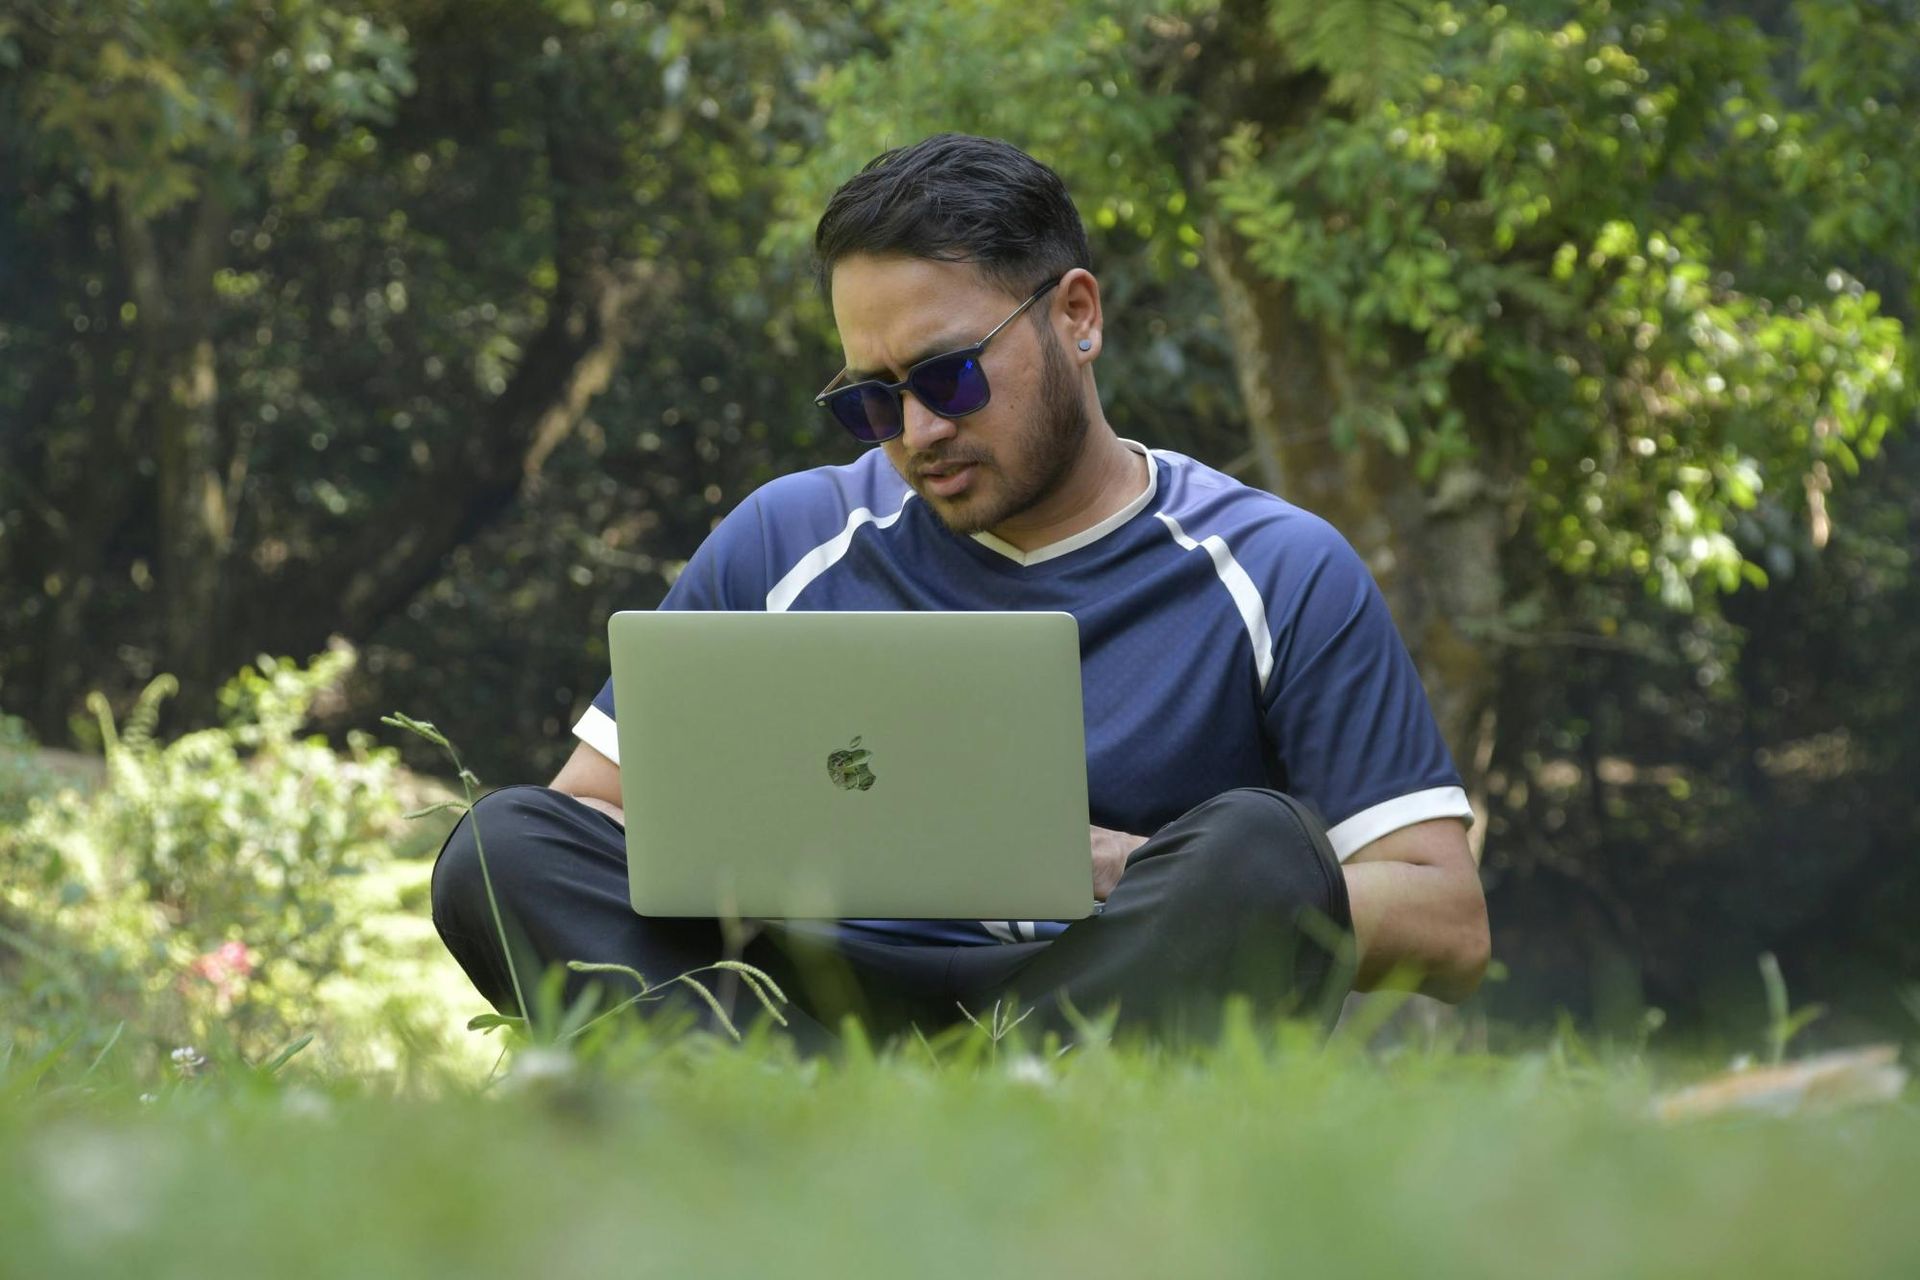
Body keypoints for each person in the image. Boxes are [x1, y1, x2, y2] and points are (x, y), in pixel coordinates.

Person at [430, 133, 1490, 1052]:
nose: (919, 432)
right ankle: (776, 1089)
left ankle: (1016, 1085)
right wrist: (755, 857)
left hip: (1100, 999)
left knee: (1261, 847)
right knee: (500, 844)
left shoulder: (1277, 565)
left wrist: (1129, 868)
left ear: (1076, 316)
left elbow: (1447, 921)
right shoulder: (786, 537)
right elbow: (585, 819)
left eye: (949, 377)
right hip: (799, 1006)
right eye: (872, 401)